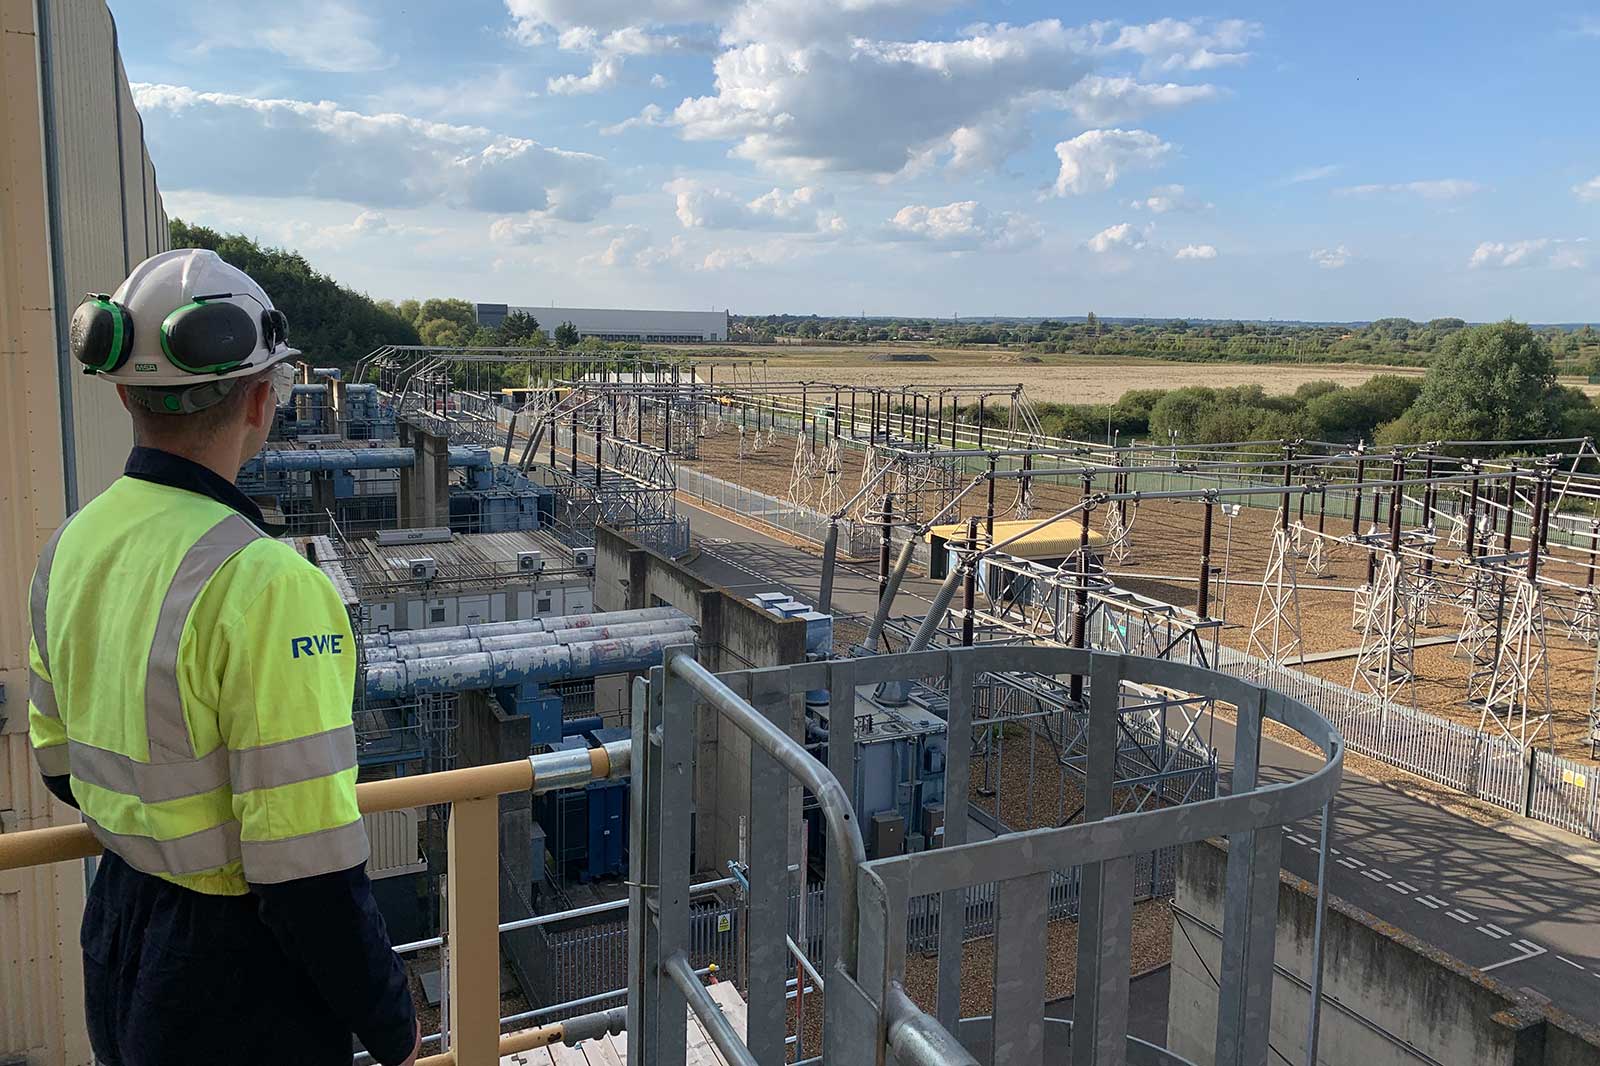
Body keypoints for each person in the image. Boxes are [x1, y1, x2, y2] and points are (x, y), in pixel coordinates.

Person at [26, 249, 419, 1066]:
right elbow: (306, 869)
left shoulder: (71, 546)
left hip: (120, 934)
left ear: (126, 394)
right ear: (262, 400)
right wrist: (391, 1020)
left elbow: (58, 765)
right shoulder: (264, 582)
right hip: (235, 981)